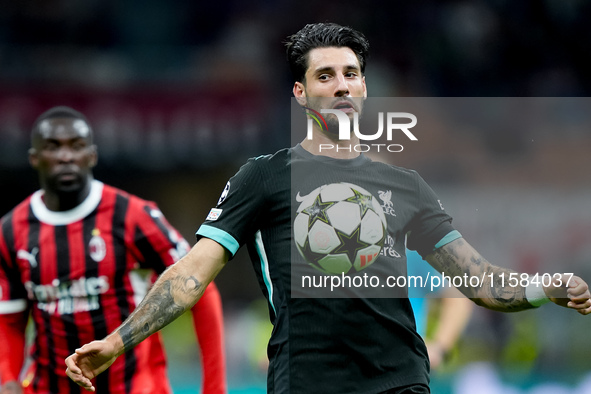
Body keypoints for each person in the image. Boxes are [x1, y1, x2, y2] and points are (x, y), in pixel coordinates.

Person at [65, 23, 591, 394]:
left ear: (363, 87)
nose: (341, 84)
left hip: (400, 381)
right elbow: (191, 275)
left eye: (351, 73)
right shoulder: (263, 177)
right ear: (300, 93)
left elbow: (477, 281)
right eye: (325, 76)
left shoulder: (403, 185)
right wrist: (117, 341)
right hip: (305, 381)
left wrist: (547, 286)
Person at [0, 106, 227, 394]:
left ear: (92, 155)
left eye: (77, 146)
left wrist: (215, 388)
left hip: (134, 385)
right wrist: (8, 380)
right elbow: (9, 319)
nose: (66, 156)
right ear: (34, 158)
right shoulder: (10, 231)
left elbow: (202, 289)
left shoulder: (132, 216)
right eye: (53, 147)